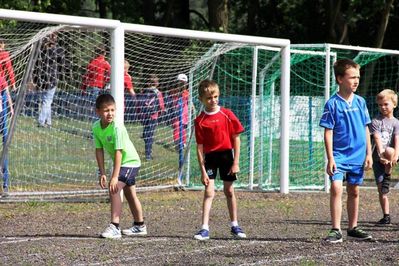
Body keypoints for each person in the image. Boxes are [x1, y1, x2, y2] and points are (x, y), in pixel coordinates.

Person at [319, 58, 373, 243]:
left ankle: (353, 227)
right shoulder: (332, 104)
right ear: (340, 79)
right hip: (339, 156)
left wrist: (368, 154)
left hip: (358, 155)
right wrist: (330, 158)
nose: (356, 80)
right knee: (336, 187)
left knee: (354, 190)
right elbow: (328, 132)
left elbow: (366, 128)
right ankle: (335, 229)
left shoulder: (361, 102)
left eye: (358, 77)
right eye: (352, 77)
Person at [193, 79, 246, 241]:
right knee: (209, 192)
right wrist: (203, 171)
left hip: (226, 156)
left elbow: (236, 138)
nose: (213, 100)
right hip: (210, 158)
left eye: (215, 96)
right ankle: (204, 228)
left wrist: (235, 162)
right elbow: (200, 147)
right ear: (201, 99)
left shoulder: (227, 114)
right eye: (209, 98)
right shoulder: (200, 120)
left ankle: (234, 225)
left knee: (229, 191)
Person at [93, 93, 147, 239]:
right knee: (130, 195)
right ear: (97, 111)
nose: (110, 113)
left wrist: (115, 177)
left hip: (130, 162)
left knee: (114, 188)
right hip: (123, 163)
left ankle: (115, 227)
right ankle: (140, 225)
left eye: (112, 110)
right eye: (106, 110)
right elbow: (99, 150)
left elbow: (119, 153)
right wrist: (102, 172)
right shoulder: (96, 127)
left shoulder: (117, 127)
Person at [369, 89, 399, 226]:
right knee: (382, 188)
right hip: (378, 159)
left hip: (391, 155)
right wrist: (380, 156)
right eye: (380, 105)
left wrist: (396, 156)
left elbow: (397, 140)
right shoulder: (375, 121)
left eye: (386, 104)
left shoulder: (396, 123)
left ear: (394, 104)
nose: (383, 107)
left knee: (389, 149)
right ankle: (386, 216)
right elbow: (377, 139)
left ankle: (388, 173)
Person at [32, 33, 65, 128]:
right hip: (52, 79)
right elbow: (62, 65)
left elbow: (36, 66)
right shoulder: (58, 51)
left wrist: (35, 80)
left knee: (46, 101)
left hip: (42, 79)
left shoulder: (41, 51)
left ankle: (48, 122)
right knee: (47, 101)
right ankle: (41, 121)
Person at [0, 38, 16, 193]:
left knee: (5, 142)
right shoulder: (4, 55)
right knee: (4, 142)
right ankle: (5, 183)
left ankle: (5, 183)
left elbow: (5, 90)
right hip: (2, 115)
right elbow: (9, 76)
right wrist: (14, 84)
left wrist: (10, 106)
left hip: (3, 111)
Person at [81, 46, 111, 120]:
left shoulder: (92, 62)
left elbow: (86, 76)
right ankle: (96, 121)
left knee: (93, 105)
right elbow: (111, 73)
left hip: (90, 87)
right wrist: (106, 81)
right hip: (98, 87)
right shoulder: (104, 63)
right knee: (99, 105)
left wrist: (83, 88)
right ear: (104, 53)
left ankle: (93, 120)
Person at [141, 74, 165, 160]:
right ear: (157, 84)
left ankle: (148, 152)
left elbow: (140, 103)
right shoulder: (158, 93)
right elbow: (161, 105)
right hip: (153, 116)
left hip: (145, 116)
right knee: (149, 135)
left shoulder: (144, 91)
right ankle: (148, 153)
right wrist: (161, 112)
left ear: (148, 83)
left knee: (146, 134)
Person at [171, 74, 189, 151]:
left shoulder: (187, 93)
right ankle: (177, 142)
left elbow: (188, 101)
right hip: (176, 112)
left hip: (184, 113)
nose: (182, 84)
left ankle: (183, 142)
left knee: (183, 128)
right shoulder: (173, 91)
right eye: (180, 82)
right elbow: (174, 96)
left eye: (183, 83)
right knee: (177, 126)